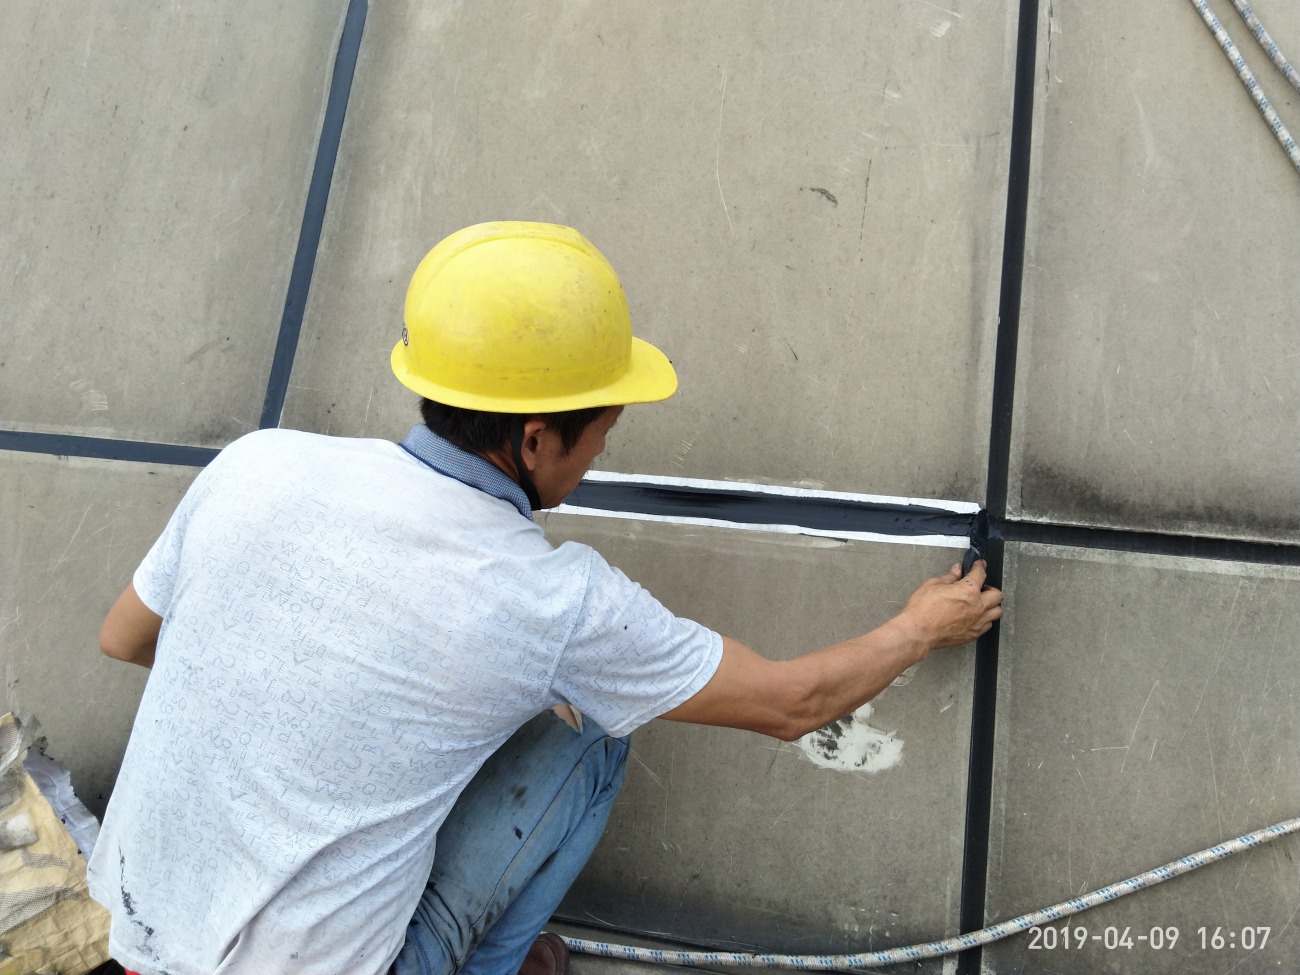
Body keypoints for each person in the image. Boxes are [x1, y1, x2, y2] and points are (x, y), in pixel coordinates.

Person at [87, 222, 1002, 975]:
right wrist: (922, 625)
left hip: (135, 935)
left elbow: (124, 636)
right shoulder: (550, 599)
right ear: (534, 441)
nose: (604, 447)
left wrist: (308, 692)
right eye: (602, 429)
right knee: (594, 729)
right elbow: (790, 703)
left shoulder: (258, 463)